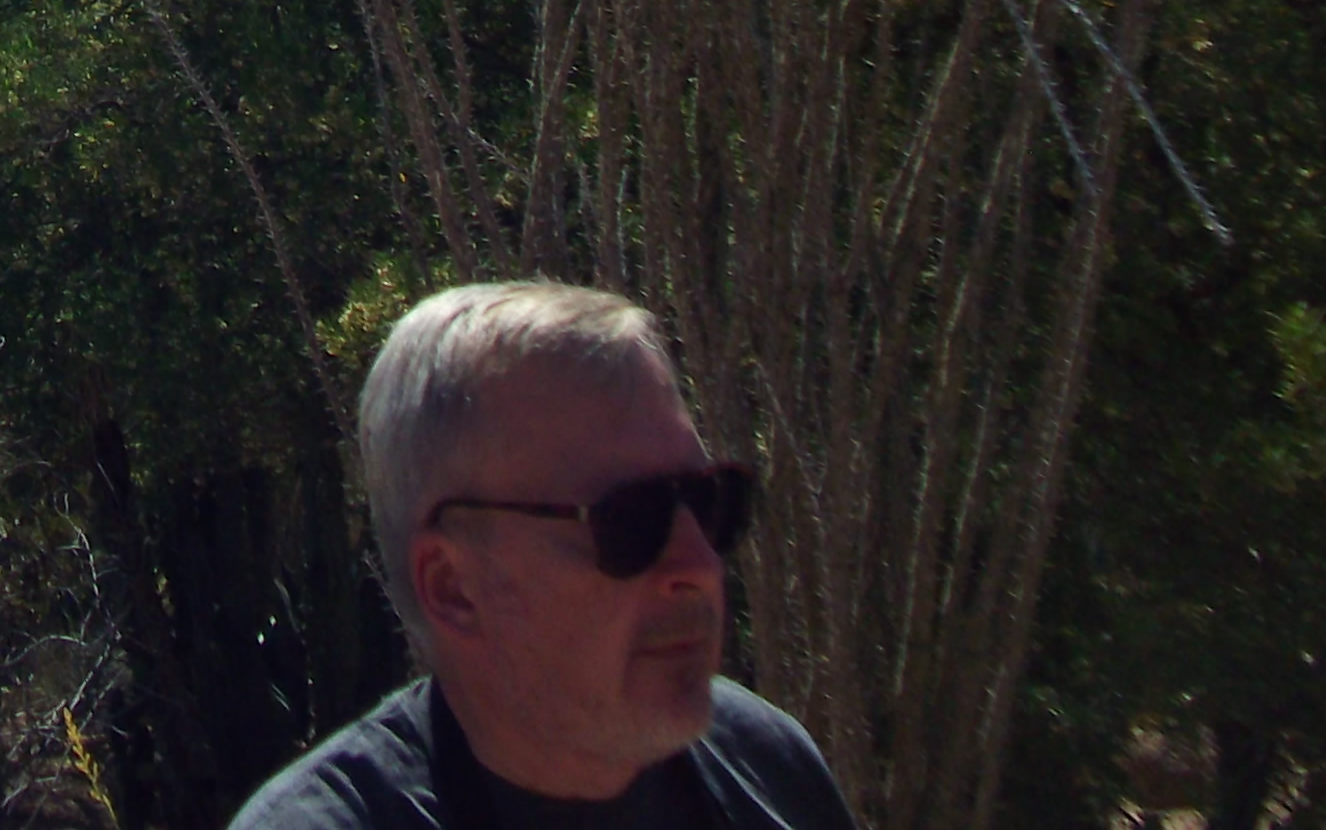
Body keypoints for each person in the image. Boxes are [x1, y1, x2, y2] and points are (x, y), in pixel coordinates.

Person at [228, 282, 862, 830]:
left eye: (708, 501)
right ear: (453, 587)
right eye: (630, 521)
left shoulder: (766, 764)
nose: (699, 566)